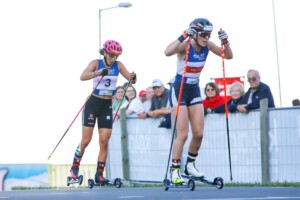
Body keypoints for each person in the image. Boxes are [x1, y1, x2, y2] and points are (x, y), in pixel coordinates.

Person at [164, 18, 233, 184]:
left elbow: (228, 56)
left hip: (194, 90)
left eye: (209, 34)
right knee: (182, 133)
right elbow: (167, 52)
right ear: (194, 34)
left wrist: (225, 41)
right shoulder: (185, 45)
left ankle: (190, 165)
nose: (206, 37)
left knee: (199, 133)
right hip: (179, 90)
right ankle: (174, 171)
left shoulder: (208, 46)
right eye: (203, 34)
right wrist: (183, 35)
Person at [69, 40, 136, 184]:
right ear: (105, 52)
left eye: (116, 56)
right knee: (86, 140)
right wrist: (98, 72)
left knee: (104, 141)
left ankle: (99, 174)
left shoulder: (118, 65)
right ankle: (74, 169)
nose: (113, 58)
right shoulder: (96, 62)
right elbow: (82, 76)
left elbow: (130, 79)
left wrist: (134, 77)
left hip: (107, 105)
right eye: (111, 55)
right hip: (93, 103)